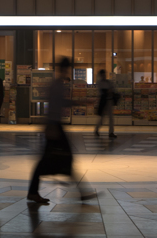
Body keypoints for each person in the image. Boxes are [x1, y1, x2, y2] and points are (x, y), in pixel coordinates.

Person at [26, 57, 96, 205]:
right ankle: (82, 191)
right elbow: (56, 105)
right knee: (59, 158)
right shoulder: (57, 85)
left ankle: (82, 191)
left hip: (54, 125)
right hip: (54, 126)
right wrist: (82, 102)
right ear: (65, 69)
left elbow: (57, 104)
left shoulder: (57, 84)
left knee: (58, 158)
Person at [94, 69, 117, 138]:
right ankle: (97, 129)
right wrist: (108, 91)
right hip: (103, 102)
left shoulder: (108, 82)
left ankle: (111, 132)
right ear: (100, 75)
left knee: (110, 118)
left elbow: (113, 90)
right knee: (102, 118)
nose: (104, 76)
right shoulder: (100, 83)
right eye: (103, 74)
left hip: (109, 101)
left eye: (104, 74)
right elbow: (102, 92)